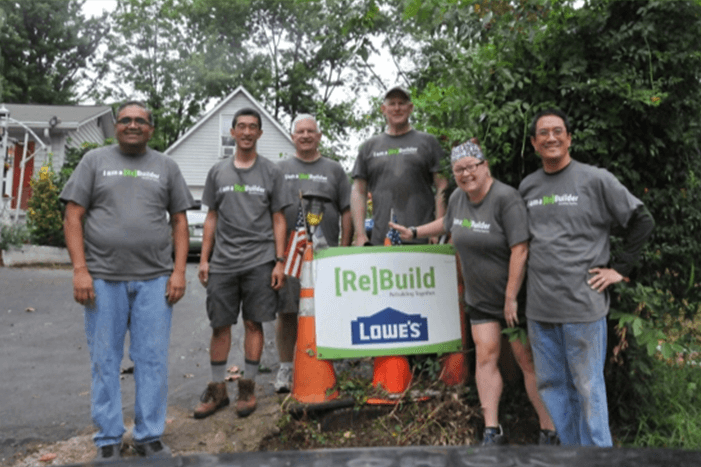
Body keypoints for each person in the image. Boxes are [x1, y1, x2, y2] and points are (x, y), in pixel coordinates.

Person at [389, 139, 556, 446]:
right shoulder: (458, 198)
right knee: (485, 356)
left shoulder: (506, 198)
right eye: (458, 170)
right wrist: (414, 232)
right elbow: (448, 223)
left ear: (484, 165)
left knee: (526, 360)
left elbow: (520, 249)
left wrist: (510, 297)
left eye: (470, 167)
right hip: (479, 299)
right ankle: (492, 429)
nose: (465, 174)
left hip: (514, 298)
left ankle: (549, 430)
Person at [61, 101, 194, 461]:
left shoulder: (166, 166)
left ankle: (149, 435)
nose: (133, 125)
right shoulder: (94, 162)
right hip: (103, 279)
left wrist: (179, 271)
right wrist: (80, 270)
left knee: (151, 359)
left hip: (154, 280)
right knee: (104, 360)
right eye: (125, 120)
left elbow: (180, 222)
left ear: (151, 129)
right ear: (115, 127)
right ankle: (108, 438)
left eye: (140, 121)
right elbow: (73, 215)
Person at [519, 109, 655, 446]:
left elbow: (643, 220)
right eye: (543, 133)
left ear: (569, 138)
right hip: (540, 308)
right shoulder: (528, 186)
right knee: (552, 386)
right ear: (535, 144)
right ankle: (572, 455)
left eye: (558, 131)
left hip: (583, 305)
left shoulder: (596, 179)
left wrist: (619, 270)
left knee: (588, 387)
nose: (551, 137)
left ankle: (598, 458)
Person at [194, 107, 291, 419]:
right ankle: (217, 389)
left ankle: (247, 387)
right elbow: (211, 218)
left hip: (260, 261)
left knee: (254, 323)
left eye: (253, 127)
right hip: (223, 262)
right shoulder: (217, 172)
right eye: (241, 127)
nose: (247, 132)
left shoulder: (272, 172)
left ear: (259, 134)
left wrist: (279, 261)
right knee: (220, 325)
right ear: (232, 132)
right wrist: (204, 258)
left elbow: (279, 219)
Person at [273, 114, 352, 392]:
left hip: (326, 254)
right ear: (293, 137)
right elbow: (271, 211)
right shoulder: (279, 169)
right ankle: (286, 368)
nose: (305, 135)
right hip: (290, 255)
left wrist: (345, 248)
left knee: (329, 309)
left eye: (311, 131)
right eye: (300, 131)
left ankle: (330, 361)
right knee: (287, 311)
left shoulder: (334, 169)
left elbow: (347, 211)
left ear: (319, 136)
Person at [351, 85, 447, 246]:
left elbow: (442, 187)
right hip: (381, 241)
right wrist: (360, 234)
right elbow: (359, 191)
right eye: (392, 104)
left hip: (422, 239)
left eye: (402, 103)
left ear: (410, 108)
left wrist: (436, 230)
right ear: (383, 109)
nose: (397, 108)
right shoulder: (369, 147)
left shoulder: (428, 142)